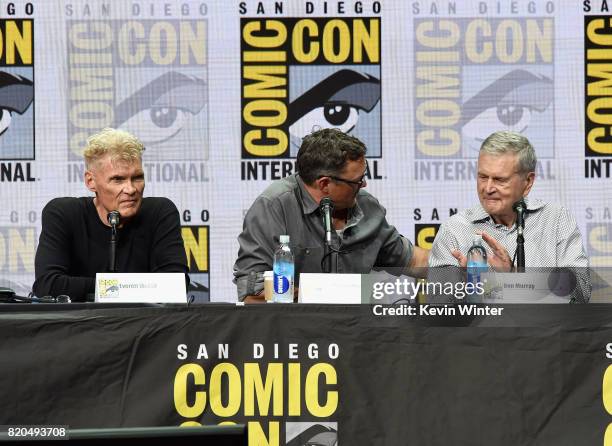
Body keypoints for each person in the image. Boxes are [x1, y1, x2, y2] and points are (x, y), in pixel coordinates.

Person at [234, 128, 429, 303]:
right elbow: (252, 293)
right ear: (325, 184)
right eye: (357, 181)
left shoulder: (367, 206)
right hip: (294, 334)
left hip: (356, 332)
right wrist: (319, 293)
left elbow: (414, 261)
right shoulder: (274, 206)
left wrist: (454, 267)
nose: (364, 185)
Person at [429, 130, 590, 302]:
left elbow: (580, 292)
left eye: (500, 180)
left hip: (546, 329)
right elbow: (440, 308)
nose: (488, 188)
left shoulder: (556, 220)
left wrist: (511, 279)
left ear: (527, 182)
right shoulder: (455, 229)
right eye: (483, 177)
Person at [32, 128, 188, 301]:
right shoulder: (63, 214)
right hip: (80, 326)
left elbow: (176, 285)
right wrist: (131, 289)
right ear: (91, 181)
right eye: (118, 179)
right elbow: (48, 285)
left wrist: (98, 288)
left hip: (144, 326)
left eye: (137, 178)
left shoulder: (160, 212)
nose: (131, 189)